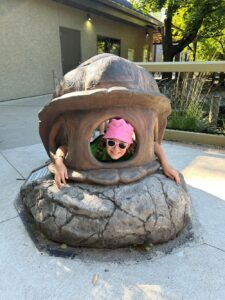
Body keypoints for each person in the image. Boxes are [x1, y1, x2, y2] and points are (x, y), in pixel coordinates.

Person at [53, 118, 180, 188]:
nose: (116, 149)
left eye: (122, 144)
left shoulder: (133, 150)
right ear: (105, 141)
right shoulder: (97, 148)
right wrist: (59, 163)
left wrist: (165, 165)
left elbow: (154, 145)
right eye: (111, 143)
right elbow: (65, 148)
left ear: (129, 145)